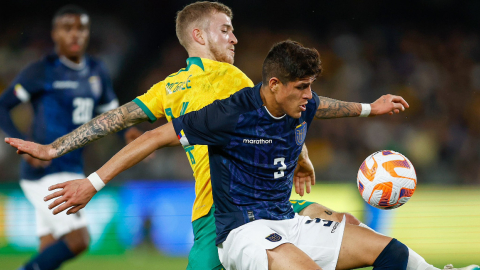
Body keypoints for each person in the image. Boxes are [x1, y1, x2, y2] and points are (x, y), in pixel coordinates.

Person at [4, 2, 471, 270]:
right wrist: (320, 140)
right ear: (199, 36)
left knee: (344, 221)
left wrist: (54, 147)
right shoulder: (230, 82)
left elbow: (115, 121)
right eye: (225, 30)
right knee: (341, 225)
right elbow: (284, 109)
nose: (234, 37)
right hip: (224, 214)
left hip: (262, 203)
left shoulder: (167, 87)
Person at [0, 5, 135, 270]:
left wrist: (127, 133)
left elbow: (113, 116)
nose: (75, 34)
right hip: (46, 170)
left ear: (88, 33)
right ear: (55, 34)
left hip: (72, 168)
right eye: (67, 28)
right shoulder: (41, 71)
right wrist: (24, 146)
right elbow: (3, 106)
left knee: (49, 249)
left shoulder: (97, 71)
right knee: (79, 239)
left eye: (81, 28)